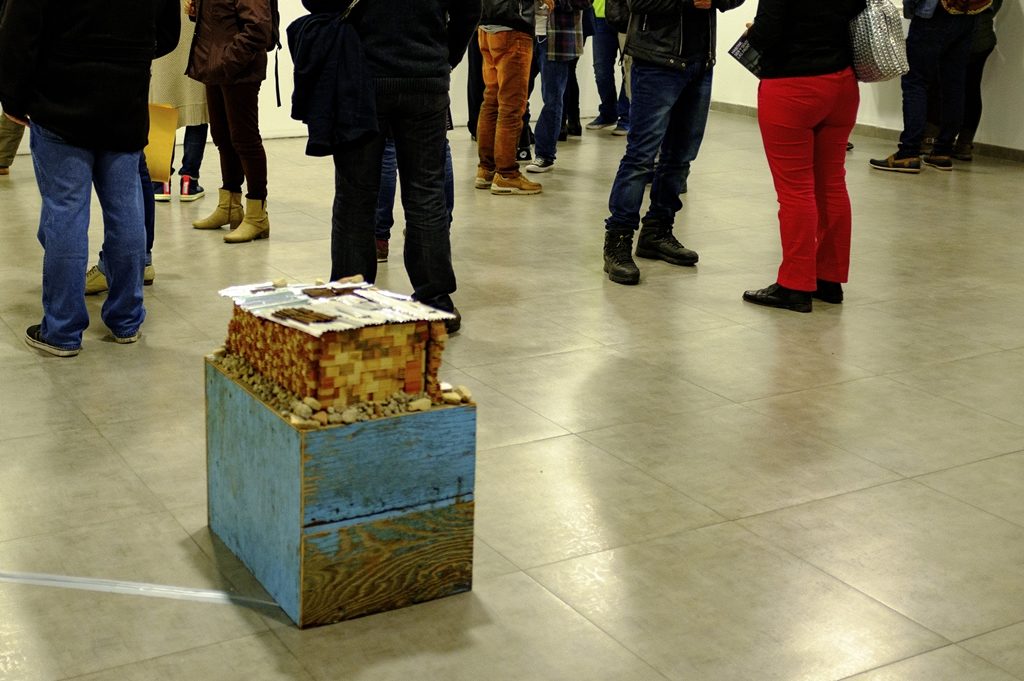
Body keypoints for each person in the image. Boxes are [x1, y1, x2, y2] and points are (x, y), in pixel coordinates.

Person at [0, 0, 179, 356]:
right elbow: (168, 33)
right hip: (124, 101)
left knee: (65, 212)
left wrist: (13, 100)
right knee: (125, 210)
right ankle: (127, 321)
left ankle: (62, 330)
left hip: (60, 98)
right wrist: (125, 60)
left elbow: (17, 32)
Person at [307, 0, 480, 335]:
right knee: (426, 192)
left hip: (361, 76)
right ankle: (436, 301)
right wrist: (443, 58)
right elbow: (469, 9)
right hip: (425, 77)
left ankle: (350, 298)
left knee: (355, 196)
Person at [602, 0, 744, 286]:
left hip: (700, 63)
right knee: (640, 157)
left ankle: (657, 231)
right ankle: (617, 241)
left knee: (680, 157)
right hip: (655, 61)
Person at [740, 0, 865, 313]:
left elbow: (766, 33)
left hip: (792, 87)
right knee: (832, 185)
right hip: (841, 84)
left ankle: (795, 285)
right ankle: (829, 279)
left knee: (795, 190)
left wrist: (752, 32)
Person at [869, 0, 992, 173]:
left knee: (915, 81)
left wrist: (912, 8)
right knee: (954, 83)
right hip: (969, 14)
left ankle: (909, 152)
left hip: (934, 12)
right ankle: (943, 151)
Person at [186, 0, 272, 243]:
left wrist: (228, 60)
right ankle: (230, 206)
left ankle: (257, 216)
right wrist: (197, 11)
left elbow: (258, 28)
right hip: (216, 64)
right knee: (223, 138)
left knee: (245, 140)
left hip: (238, 69)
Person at [475, 0, 549, 196]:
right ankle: (507, 174)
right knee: (511, 105)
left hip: (486, 25)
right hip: (513, 26)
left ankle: (486, 169)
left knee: (491, 99)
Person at [151, 1, 211, 202]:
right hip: (196, 50)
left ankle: (160, 182)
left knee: (161, 116)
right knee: (197, 114)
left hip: (163, 49)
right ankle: (189, 181)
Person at [525, 0, 591, 174]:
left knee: (552, 98)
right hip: (524, 33)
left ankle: (545, 154)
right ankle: (517, 147)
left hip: (557, 37)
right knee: (514, 97)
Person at [586, 0, 630, 134]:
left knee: (628, 69)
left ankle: (627, 117)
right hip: (600, 16)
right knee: (601, 70)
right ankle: (608, 113)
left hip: (627, 15)